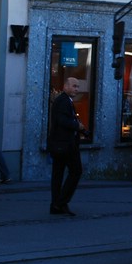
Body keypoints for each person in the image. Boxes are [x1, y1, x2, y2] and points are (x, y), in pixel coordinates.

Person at [48, 77, 84, 216]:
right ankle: (60, 202)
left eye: (77, 86)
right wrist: (77, 125)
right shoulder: (63, 101)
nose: (76, 89)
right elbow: (63, 121)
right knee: (75, 171)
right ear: (65, 86)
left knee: (58, 174)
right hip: (65, 145)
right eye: (74, 86)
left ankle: (56, 204)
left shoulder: (63, 100)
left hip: (60, 144)